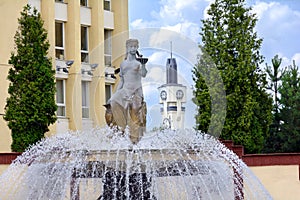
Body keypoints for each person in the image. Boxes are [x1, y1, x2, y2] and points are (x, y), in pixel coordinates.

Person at [105, 39, 147, 144]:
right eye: (131, 46)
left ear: (137, 48)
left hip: (136, 91)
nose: (133, 48)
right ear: (127, 48)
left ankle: (135, 137)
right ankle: (119, 128)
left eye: (135, 46)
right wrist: (114, 94)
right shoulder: (123, 64)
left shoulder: (138, 63)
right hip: (125, 90)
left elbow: (143, 74)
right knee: (113, 101)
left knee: (135, 111)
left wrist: (143, 65)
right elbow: (121, 81)